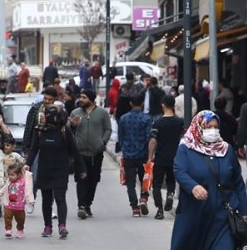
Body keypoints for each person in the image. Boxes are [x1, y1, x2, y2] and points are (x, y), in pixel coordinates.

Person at [162, 111, 247, 250]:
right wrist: (192, 187)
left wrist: (243, 211)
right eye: (208, 126)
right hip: (194, 214)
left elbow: (237, 181)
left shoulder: (226, 150)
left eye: (215, 126)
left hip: (222, 213)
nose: (212, 131)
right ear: (198, 126)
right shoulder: (186, 148)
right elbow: (179, 171)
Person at [26, 98, 85, 238]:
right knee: (46, 200)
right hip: (45, 169)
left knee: (60, 198)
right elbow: (33, 149)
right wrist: (27, 164)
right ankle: (47, 226)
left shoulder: (65, 131)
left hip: (60, 169)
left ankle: (62, 226)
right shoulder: (39, 131)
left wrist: (82, 169)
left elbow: (75, 151)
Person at [70, 88, 112, 219]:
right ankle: (81, 206)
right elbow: (68, 131)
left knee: (93, 181)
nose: (81, 100)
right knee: (81, 180)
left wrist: (102, 142)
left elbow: (108, 129)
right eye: (80, 97)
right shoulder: (75, 113)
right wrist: (73, 126)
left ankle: (88, 204)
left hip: (96, 154)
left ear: (91, 99)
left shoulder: (102, 113)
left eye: (84, 97)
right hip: (80, 154)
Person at [148, 94, 186, 219]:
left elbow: (153, 140)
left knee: (157, 185)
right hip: (175, 158)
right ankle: (170, 194)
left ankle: (159, 210)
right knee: (171, 180)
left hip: (160, 158)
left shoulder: (157, 123)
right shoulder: (179, 122)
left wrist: (150, 156)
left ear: (163, 105)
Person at [119, 93, 153, 216]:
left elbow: (121, 138)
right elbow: (150, 137)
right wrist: (150, 155)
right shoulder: (147, 118)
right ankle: (143, 198)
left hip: (128, 155)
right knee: (144, 179)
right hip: (143, 154)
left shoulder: (123, 119)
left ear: (130, 104)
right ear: (142, 104)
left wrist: (124, 150)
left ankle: (135, 209)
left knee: (130, 183)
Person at [0, 164, 33, 238]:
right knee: (7, 217)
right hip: (9, 204)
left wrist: (30, 200)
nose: (10, 177)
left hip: (19, 206)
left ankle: (20, 230)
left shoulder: (23, 181)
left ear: (19, 175)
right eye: (9, 175)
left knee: (20, 220)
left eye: (12, 175)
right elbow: (5, 188)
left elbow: (29, 188)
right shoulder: (9, 181)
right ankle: (8, 230)